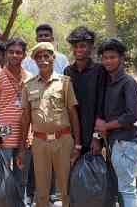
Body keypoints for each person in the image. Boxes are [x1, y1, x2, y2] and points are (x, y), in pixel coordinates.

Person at [18, 42, 82, 207]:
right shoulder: (28, 85)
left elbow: (73, 114)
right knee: (42, 190)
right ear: (34, 61)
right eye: (39, 57)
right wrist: (22, 149)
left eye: (47, 56)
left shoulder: (65, 82)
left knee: (66, 188)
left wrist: (77, 145)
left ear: (53, 58)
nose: (43, 60)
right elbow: (25, 119)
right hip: (39, 143)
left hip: (63, 140)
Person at [94, 38, 137, 207]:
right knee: (114, 187)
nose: (108, 61)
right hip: (113, 143)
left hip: (125, 142)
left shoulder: (128, 83)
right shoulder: (107, 82)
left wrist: (106, 126)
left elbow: (132, 115)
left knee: (127, 189)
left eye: (112, 57)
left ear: (122, 58)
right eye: (105, 57)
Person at [0, 37, 34, 199]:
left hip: (24, 134)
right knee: (3, 178)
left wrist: (30, 134)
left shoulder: (29, 78)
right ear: (6, 54)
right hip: (3, 133)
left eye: (19, 52)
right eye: (11, 52)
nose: (15, 55)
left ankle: (20, 203)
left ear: (24, 55)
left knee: (21, 178)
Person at [63, 26, 105, 155]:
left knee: (91, 172)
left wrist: (97, 138)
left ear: (91, 47)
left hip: (92, 136)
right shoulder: (68, 71)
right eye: (75, 46)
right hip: (72, 136)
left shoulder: (100, 70)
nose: (78, 50)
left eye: (82, 46)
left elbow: (102, 106)